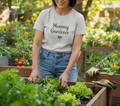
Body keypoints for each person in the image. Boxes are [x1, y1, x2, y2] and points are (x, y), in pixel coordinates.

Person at [28, 0, 86, 89]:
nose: (60, 0)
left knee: (69, 94)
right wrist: (34, 69)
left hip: (67, 62)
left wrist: (66, 72)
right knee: (43, 96)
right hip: (44, 62)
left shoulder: (78, 18)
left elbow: (76, 49)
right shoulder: (44, 14)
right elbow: (36, 44)